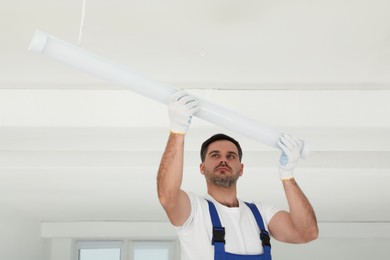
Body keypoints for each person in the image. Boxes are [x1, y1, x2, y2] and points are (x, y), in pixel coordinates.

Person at [157, 91, 318, 260]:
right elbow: (167, 196)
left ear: (241, 169)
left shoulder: (260, 215)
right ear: (202, 168)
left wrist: (288, 176)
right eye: (215, 155)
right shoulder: (194, 211)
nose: (223, 161)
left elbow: (307, 233)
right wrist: (177, 132)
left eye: (231, 156)